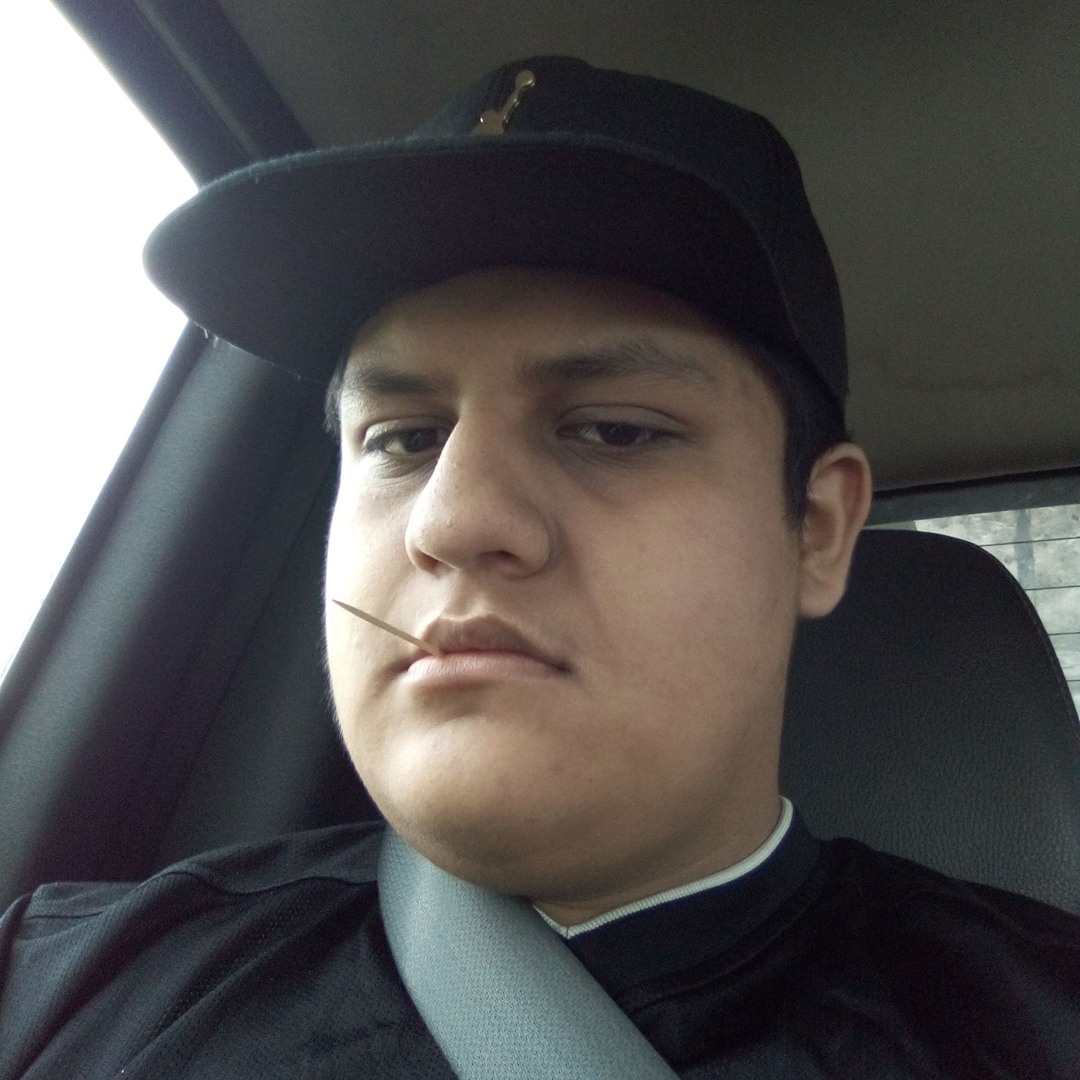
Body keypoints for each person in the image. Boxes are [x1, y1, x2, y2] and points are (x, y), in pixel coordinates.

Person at [1, 55, 1078, 1078]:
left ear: (820, 529)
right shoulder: (60, 980)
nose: (452, 519)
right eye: (401, 439)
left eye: (615, 429)